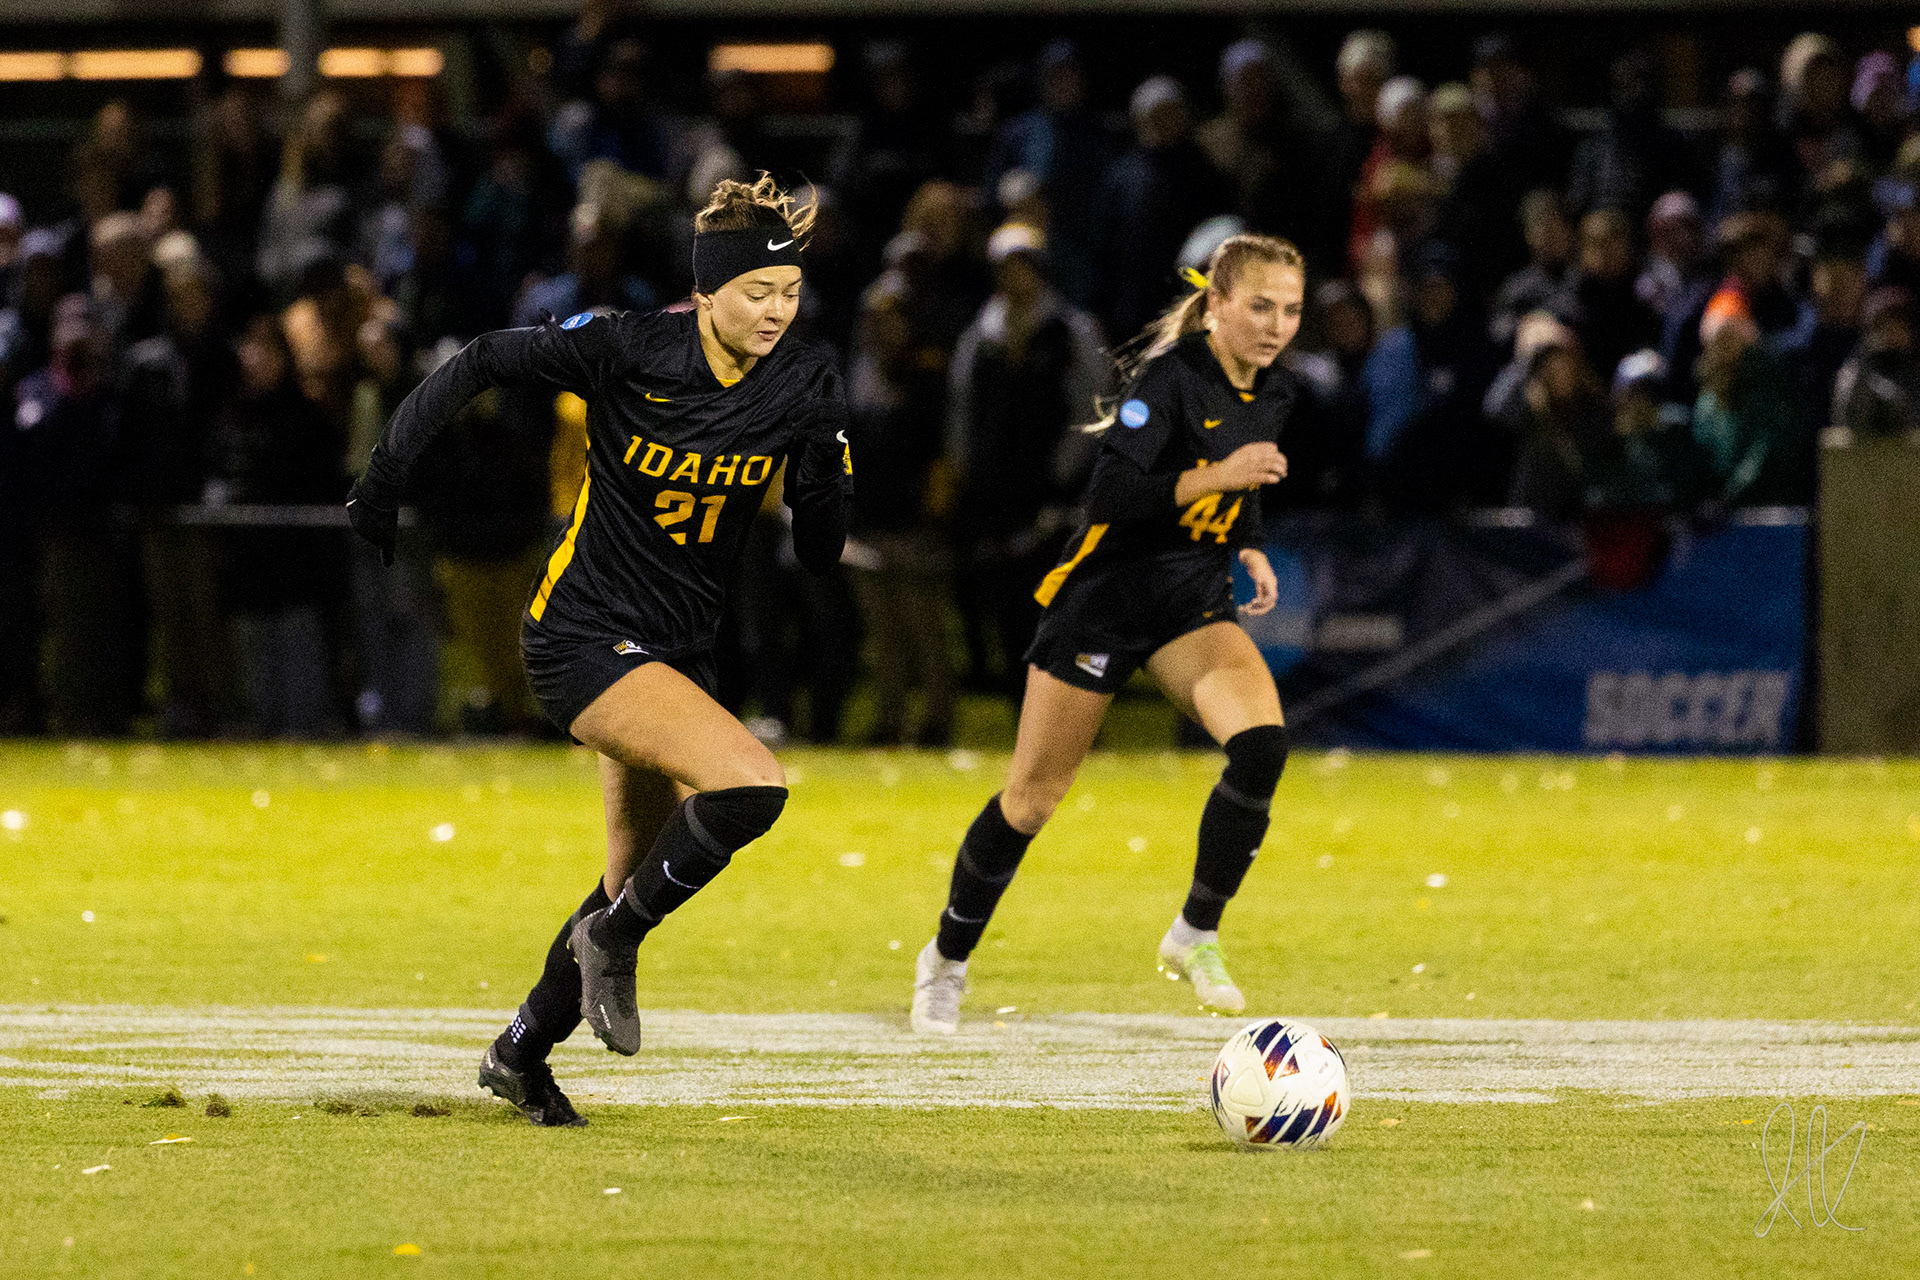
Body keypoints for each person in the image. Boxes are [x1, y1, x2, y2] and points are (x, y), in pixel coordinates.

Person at [345, 175, 852, 1124]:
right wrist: (383, 481)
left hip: (672, 651)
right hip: (580, 633)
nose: (778, 311)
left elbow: (821, 552)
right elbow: (486, 359)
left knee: (632, 875)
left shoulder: (804, 377)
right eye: (756, 293)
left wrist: (825, 470)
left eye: (789, 294)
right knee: (752, 785)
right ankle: (608, 945)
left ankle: (521, 1052)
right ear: (706, 293)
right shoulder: (633, 345)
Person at [909, 233, 1303, 1033]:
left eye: (1290, 310)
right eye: (1259, 306)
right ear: (1219, 304)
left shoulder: (1273, 388)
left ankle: (1195, 932)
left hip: (1189, 603)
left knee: (1261, 745)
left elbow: (1245, 472)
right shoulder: (1169, 378)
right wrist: (1222, 479)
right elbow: (1114, 493)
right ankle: (945, 959)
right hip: (1106, 602)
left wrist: (1250, 540)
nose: (1275, 325)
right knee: (1031, 800)